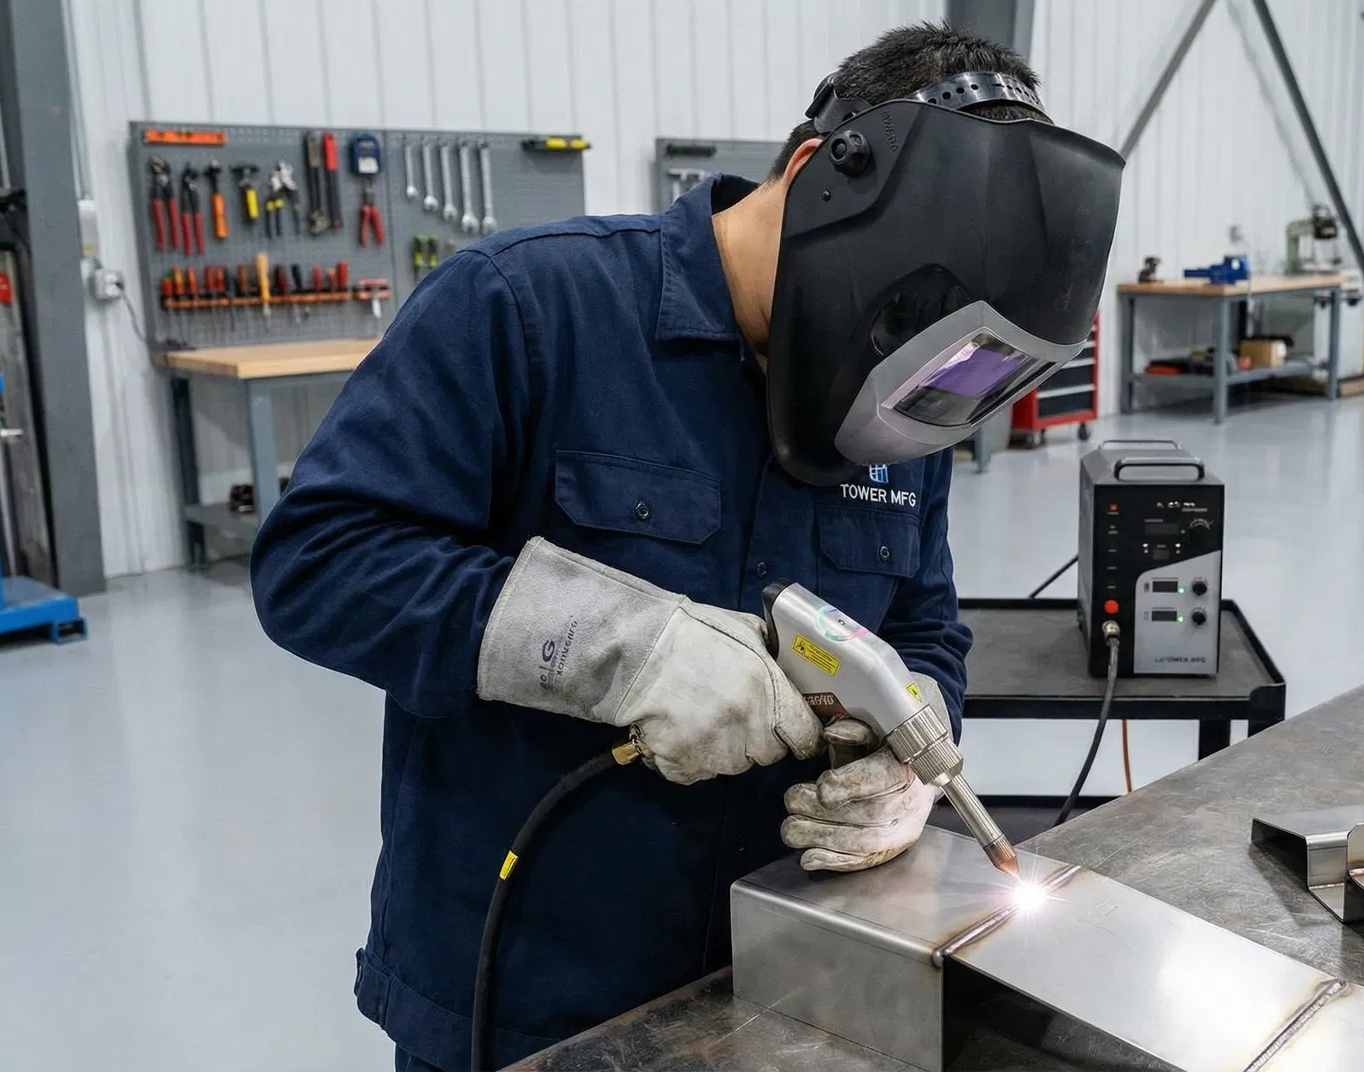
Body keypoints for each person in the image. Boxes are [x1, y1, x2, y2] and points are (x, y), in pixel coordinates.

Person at [251, 21, 1121, 1072]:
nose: (910, 405)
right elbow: (319, 562)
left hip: (784, 991)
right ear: (817, 180)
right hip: (526, 992)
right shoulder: (527, 307)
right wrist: (622, 648)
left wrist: (915, 746)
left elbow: (923, 628)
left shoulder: (907, 393)